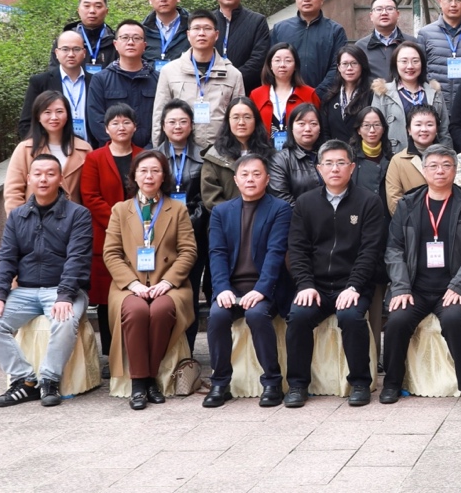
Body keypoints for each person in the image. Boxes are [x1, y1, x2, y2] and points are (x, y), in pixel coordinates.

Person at [0, 154, 92, 407]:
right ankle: (25, 381)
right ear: (28, 179)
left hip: (63, 289)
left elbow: (78, 259)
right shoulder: (18, 216)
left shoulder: (78, 214)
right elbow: (6, 258)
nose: (43, 179)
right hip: (26, 291)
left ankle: (50, 380)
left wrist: (65, 295)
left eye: (50, 174)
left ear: (61, 178)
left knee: (64, 319)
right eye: (37, 174)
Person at [380, 145, 461, 406]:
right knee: (396, 321)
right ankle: (392, 384)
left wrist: (459, 286)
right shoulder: (407, 205)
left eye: (446, 165)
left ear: (455, 170)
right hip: (415, 288)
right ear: (424, 171)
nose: (440, 171)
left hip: (451, 289)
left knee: (454, 320)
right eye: (434, 166)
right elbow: (394, 249)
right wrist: (401, 287)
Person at [283, 139, 386, 406]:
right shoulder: (305, 203)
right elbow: (297, 250)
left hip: (352, 284)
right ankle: (297, 385)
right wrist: (305, 284)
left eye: (341, 163)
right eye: (328, 163)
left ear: (352, 167)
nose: (335, 169)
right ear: (319, 169)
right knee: (298, 316)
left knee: (351, 317)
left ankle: (360, 383)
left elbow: (370, 251)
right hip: (314, 285)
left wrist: (354, 286)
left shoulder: (369, 202)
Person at [102, 150, 198, 409]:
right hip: (128, 285)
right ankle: (139, 383)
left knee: (162, 309)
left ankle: (149, 377)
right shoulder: (120, 210)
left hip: (169, 284)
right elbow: (111, 253)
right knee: (136, 311)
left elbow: (188, 251)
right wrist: (132, 284)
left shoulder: (177, 209)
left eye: (155, 170)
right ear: (134, 175)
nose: (149, 176)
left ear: (163, 176)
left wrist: (167, 282)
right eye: (143, 170)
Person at [202, 154, 293, 408]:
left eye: (256, 174)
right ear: (236, 180)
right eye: (244, 174)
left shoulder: (280, 209)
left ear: (267, 179)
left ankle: (272, 382)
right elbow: (217, 253)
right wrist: (222, 288)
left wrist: (261, 290)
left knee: (256, 314)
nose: (250, 179)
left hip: (267, 288)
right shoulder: (221, 212)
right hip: (232, 287)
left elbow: (276, 253)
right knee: (217, 315)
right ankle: (220, 383)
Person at [80, 103, 143, 359]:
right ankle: (110, 354)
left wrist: (136, 224)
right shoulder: (94, 158)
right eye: (115, 123)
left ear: (135, 126)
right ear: (106, 129)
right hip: (106, 236)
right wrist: (119, 223)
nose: (121, 127)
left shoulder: (143, 156)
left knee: (137, 293)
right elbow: (90, 196)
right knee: (107, 299)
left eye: (126, 122)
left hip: (142, 235)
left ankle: (137, 352)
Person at [156, 100, 209, 349]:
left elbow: (206, 198)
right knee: (163, 291)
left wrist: (188, 221)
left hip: (195, 234)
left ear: (191, 125)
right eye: (172, 122)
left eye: (183, 121)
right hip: (161, 236)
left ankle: (187, 353)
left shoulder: (205, 156)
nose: (177, 126)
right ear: (163, 126)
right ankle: (164, 351)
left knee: (190, 292)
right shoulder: (153, 157)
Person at [151, 11, 245, 149]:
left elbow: (240, 117)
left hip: (220, 151)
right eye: (196, 28)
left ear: (216, 35)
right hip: (180, 150)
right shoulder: (169, 71)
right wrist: (159, 151)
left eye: (207, 28)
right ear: (188, 35)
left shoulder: (233, 74)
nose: (201, 33)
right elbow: (159, 115)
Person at [4, 91, 91, 212]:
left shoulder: (84, 149)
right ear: (38, 116)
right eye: (47, 112)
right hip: (34, 218)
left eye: (59, 111)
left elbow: (91, 192)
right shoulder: (25, 149)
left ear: (67, 115)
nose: (54, 117)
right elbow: (13, 192)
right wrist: (20, 220)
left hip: (73, 219)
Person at [269, 0, 348, 99]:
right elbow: (271, 63)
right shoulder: (280, 29)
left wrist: (316, 95)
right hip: (287, 99)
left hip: (324, 99)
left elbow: (337, 67)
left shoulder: (335, 31)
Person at [85, 20, 159, 149]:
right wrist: (120, 148)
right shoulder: (100, 80)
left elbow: (163, 118)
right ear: (115, 44)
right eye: (125, 38)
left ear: (144, 45)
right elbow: (96, 119)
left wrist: (148, 151)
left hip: (150, 153)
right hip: (112, 152)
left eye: (136, 38)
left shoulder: (157, 79)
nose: (130, 42)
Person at [374, 40, 452, 155]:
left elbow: (444, 131)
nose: (410, 66)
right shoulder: (383, 92)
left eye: (415, 61)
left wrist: (446, 157)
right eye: (404, 61)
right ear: (395, 64)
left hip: (431, 159)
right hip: (394, 158)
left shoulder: (434, 92)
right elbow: (376, 131)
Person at [201, 97, 274, 214]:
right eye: (236, 117)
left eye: (247, 117)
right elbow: (211, 199)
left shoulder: (270, 154)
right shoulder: (215, 156)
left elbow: (276, 191)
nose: (241, 122)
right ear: (228, 121)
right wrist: (237, 216)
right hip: (227, 219)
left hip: (266, 217)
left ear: (256, 120)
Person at [20, 30, 92, 142]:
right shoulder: (40, 82)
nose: (71, 54)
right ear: (57, 53)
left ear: (84, 53)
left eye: (76, 49)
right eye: (65, 49)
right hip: (51, 148)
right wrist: (44, 148)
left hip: (92, 149)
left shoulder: (95, 81)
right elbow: (26, 123)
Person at [251, 43, 323, 152]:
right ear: (270, 65)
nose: (282, 65)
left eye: (288, 61)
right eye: (277, 60)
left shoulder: (309, 93)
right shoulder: (256, 94)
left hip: (301, 154)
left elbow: (319, 126)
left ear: (295, 66)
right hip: (264, 154)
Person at [210, 0, 271, 94]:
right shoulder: (206, 22)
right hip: (210, 91)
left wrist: (231, 81)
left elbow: (258, 61)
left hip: (246, 92)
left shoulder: (257, 21)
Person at [384, 106, 444, 214]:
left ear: (436, 129)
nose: (424, 129)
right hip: (411, 221)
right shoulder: (398, 161)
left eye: (429, 124)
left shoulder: (448, 158)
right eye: (418, 125)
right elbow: (394, 200)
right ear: (409, 130)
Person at [269, 103, 324, 206]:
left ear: (320, 128)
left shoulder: (328, 155)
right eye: (301, 124)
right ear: (291, 127)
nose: (307, 129)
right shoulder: (280, 160)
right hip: (297, 215)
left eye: (313, 124)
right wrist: (308, 214)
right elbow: (281, 197)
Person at [50, 0, 117, 74]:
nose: (92, 11)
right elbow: (54, 73)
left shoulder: (116, 41)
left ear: (106, 11)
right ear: (78, 11)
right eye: (87, 6)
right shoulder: (64, 40)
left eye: (98, 6)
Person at [355, 0, 417, 82]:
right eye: (379, 9)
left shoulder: (412, 43)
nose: (384, 13)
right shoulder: (360, 46)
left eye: (389, 9)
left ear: (398, 14)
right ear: (371, 16)